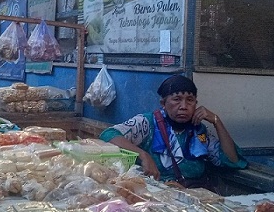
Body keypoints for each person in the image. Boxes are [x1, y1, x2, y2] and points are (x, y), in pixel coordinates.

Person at [99, 75, 247, 188]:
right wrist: (143, 155)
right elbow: (109, 134)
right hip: (155, 197)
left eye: (190, 100)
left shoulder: (199, 131)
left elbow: (231, 160)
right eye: (177, 99)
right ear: (163, 103)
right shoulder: (147, 123)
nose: (183, 106)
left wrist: (216, 121)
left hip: (194, 196)